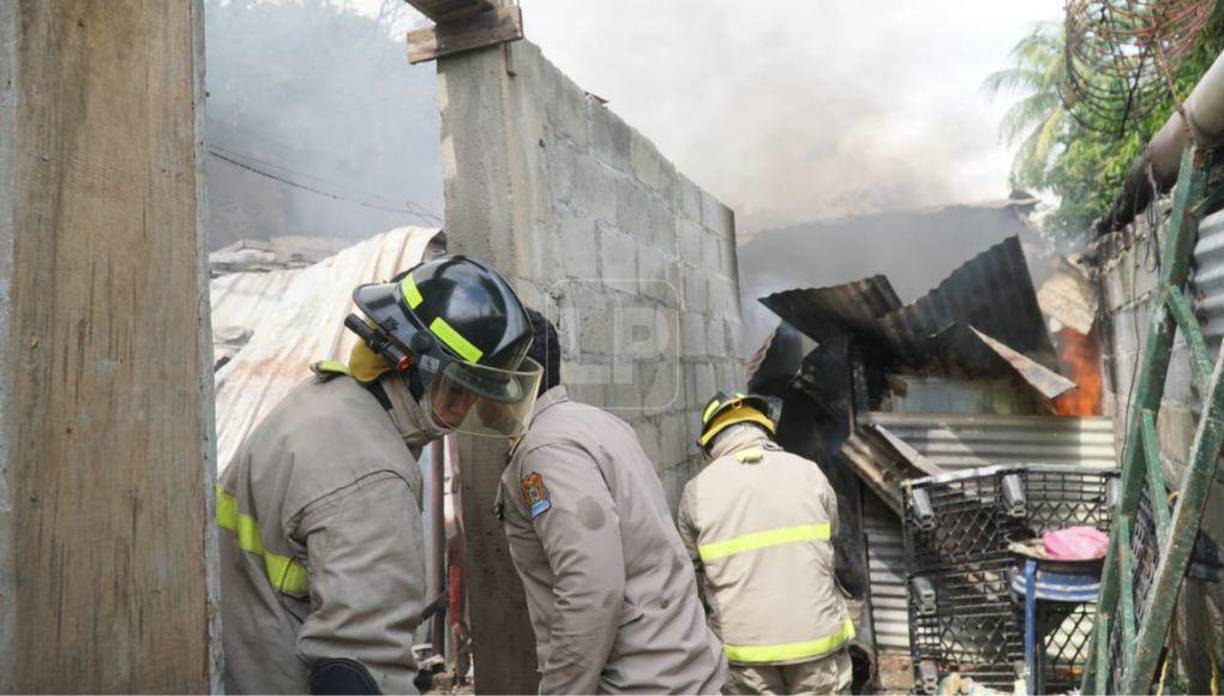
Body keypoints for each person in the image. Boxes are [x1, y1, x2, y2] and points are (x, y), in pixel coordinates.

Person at [217, 255, 542, 694]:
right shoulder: (373, 478)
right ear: (408, 364)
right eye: (455, 392)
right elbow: (359, 671)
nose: (461, 413)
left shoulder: (317, 403)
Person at [497, 310, 727, 694]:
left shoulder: (546, 450)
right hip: (680, 669)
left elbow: (591, 587)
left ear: (508, 380)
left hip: (641, 684)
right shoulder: (596, 424)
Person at [677, 391, 855, 695]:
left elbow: (690, 564)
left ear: (710, 443)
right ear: (764, 430)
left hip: (746, 651)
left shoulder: (696, 492)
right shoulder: (809, 473)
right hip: (816, 639)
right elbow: (832, 531)